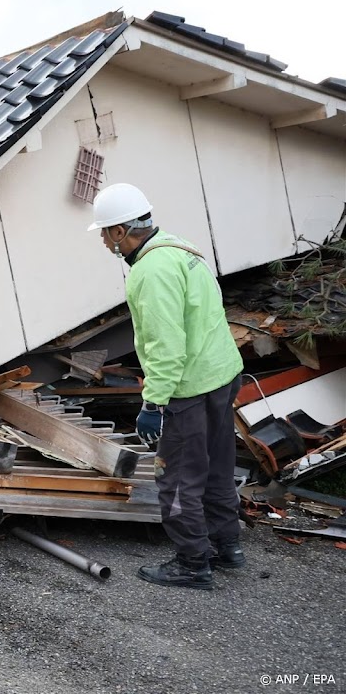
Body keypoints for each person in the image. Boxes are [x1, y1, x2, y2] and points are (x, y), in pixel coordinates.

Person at [88, 183, 245, 591]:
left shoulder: (150, 272)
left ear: (122, 231)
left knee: (176, 479)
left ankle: (193, 563)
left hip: (189, 388)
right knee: (217, 466)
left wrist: (153, 402)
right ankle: (227, 546)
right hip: (222, 375)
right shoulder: (181, 249)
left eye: (105, 233)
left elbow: (166, 346)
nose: (104, 241)